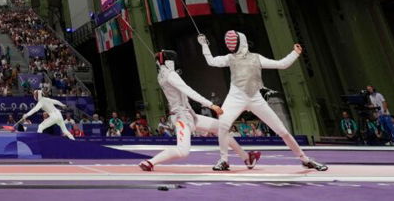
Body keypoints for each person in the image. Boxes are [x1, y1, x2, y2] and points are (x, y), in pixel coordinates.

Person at [199, 31, 327, 171]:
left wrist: (295, 53)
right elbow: (211, 61)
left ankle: (304, 159)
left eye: (233, 41)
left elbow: (281, 64)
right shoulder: (230, 58)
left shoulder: (256, 58)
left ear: (241, 42)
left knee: (282, 131)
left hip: (255, 98)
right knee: (223, 126)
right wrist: (204, 44)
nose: (230, 45)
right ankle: (224, 160)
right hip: (235, 97)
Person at [139, 50, 259, 172]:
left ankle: (247, 158)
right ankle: (150, 162)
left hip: (190, 115)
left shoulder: (162, 75)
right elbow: (189, 91)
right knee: (182, 151)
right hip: (182, 118)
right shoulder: (170, 75)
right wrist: (211, 105)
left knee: (221, 127)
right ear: (170, 61)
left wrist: (160, 60)